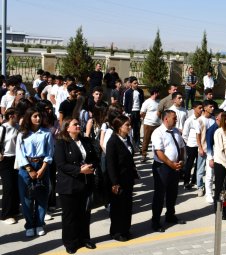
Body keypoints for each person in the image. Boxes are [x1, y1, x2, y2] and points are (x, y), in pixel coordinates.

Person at [54, 117, 99, 254]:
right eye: (75, 124)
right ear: (67, 128)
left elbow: (95, 157)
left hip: (85, 183)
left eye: (79, 124)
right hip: (69, 186)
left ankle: (84, 238)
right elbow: (61, 165)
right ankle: (70, 242)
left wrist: (91, 166)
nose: (78, 126)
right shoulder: (62, 143)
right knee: (70, 216)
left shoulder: (85, 141)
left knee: (85, 214)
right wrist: (79, 170)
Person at [15, 107, 55, 237]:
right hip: (26, 166)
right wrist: (29, 169)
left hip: (42, 164)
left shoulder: (46, 132)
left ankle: (39, 223)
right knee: (26, 197)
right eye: (35, 116)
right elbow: (19, 153)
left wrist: (43, 168)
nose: (38, 118)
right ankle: (30, 224)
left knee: (42, 196)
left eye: (39, 116)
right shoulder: (22, 133)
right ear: (29, 118)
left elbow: (50, 152)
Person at [150, 110, 186, 232]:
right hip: (163, 168)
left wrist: (181, 160)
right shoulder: (157, 132)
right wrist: (171, 164)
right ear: (166, 119)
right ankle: (155, 221)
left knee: (173, 193)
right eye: (174, 118)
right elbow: (159, 152)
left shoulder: (175, 131)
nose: (176, 120)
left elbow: (181, 147)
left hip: (175, 167)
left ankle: (170, 215)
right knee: (160, 195)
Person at [106, 115, 139, 242]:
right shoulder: (112, 142)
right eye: (127, 125)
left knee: (127, 205)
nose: (130, 127)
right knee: (117, 207)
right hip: (117, 181)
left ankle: (125, 229)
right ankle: (116, 231)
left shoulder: (127, 139)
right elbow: (110, 164)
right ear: (119, 127)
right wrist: (114, 183)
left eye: (130, 125)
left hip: (128, 179)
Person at [0, 108, 20, 225]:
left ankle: (14, 210)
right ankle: (6, 214)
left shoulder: (18, 127)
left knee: (17, 185)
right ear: (11, 116)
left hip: (16, 158)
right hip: (5, 159)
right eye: (17, 114)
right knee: (8, 187)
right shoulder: (3, 128)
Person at [182, 102, 203, 190]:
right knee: (189, 164)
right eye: (199, 108)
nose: (201, 109)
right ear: (194, 108)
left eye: (202, 108)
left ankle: (194, 180)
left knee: (199, 164)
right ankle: (186, 181)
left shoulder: (202, 119)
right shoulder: (189, 120)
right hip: (191, 145)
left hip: (201, 146)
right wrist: (189, 143)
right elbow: (184, 134)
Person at [140, 89, 161, 162]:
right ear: (155, 93)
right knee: (146, 140)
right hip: (148, 124)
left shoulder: (159, 102)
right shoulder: (147, 102)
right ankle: (143, 155)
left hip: (158, 125)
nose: (159, 94)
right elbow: (142, 112)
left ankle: (159, 155)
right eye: (158, 93)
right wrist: (147, 119)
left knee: (158, 140)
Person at [123, 77, 144, 149]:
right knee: (129, 128)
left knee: (137, 128)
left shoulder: (140, 91)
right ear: (131, 84)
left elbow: (142, 102)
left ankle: (137, 144)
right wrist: (126, 113)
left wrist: (142, 112)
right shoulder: (127, 92)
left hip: (138, 112)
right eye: (135, 83)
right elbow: (125, 104)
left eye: (137, 83)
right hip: (131, 112)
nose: (136, 84)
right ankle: (130, 143)